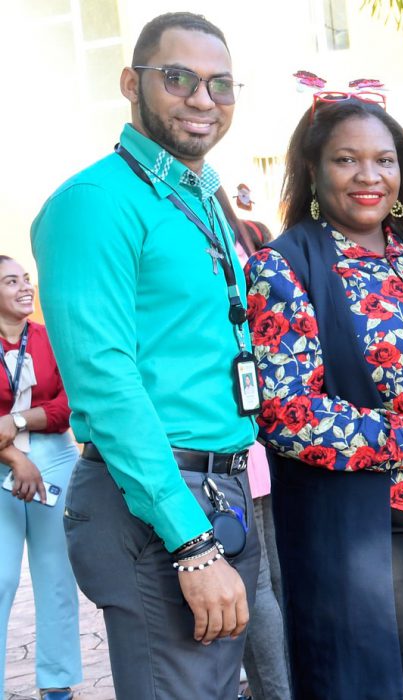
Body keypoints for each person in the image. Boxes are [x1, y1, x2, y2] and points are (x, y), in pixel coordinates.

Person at [30, 12, 257, 698]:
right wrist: (190, 542)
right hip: (158, 502)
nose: (203, 99)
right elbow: (105, 383)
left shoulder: (199, 196)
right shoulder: (95, 202)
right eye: (179, 78)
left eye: (220, 84)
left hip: (218, 486)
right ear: (132, 83)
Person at [247, 94, 403, 699]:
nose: (369, 176)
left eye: (384, 160)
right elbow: (288, 415)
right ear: (312, 170)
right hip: (376, 524)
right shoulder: (284, 267)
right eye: (346, 159)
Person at [217, 190, 292, 700]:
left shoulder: (222, 245)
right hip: (261, 433)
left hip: (232, 432)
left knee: (257, 583)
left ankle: (277, 692)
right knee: (274, 578)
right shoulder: (253, 239)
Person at [0, 257, 79, 700]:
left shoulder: (52, 339)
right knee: (1, 578)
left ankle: (57, 684)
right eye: (11, 282)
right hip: (3, 461)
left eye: (26, 279)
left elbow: (69, 404)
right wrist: (16, 459)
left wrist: (18, 420)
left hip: (56, 457)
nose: (25, 288)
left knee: (56, 572)